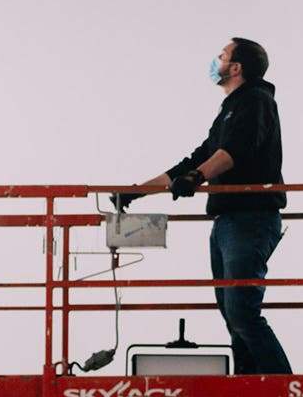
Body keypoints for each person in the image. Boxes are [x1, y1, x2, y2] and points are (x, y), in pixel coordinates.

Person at [121, 38, 290, 376]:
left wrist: (197, 176)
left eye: (222, 55)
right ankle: (249, 386)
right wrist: (135, 193)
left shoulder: (255, 101)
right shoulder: (230, 110)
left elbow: (234, 152)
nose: (217, 61)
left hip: (250, 217)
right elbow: (196, 158)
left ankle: (283, 390)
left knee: (241, 311)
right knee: (232, 311)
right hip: (229, 220)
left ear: (236, 67)